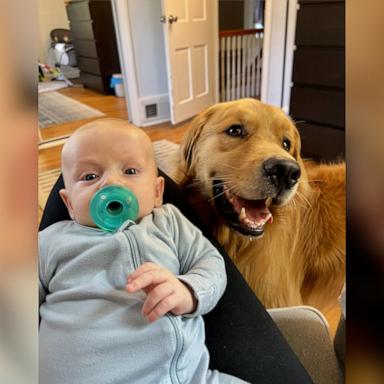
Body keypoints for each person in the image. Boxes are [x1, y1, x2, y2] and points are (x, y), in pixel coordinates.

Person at [39, 119, 313, 384]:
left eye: (130, 172)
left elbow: (212, 265)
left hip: (180, 377)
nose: (111, 183)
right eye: (89, 176)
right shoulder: (52, 241)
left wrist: (189, 291)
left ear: (159, 192)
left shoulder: (170, 222)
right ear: (69, 204)